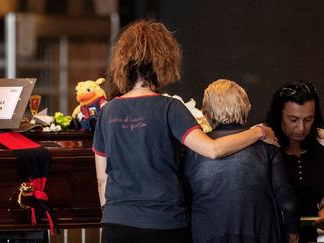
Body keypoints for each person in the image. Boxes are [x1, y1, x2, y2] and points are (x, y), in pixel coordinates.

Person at [92, 20, 278, 243]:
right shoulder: (170, 108)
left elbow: (102, 179)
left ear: (123, 62)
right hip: (164, 224)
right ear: (165, 61)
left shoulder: (107, 111)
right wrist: (259, 132)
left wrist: (114, 215)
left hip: (116, 225)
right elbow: (213, 149)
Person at [183, 79, 299, 243]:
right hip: (260, 234)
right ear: (246, 106)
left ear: (206, 110)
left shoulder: (195, 149)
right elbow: (287, 201)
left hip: (209, 235)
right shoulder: (267, 145)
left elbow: (185, 200)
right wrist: (293, 232)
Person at [266, 80, 324, 243]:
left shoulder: (322, 143)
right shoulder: (262, 146)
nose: (301, 128)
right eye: (293, 120)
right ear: (279, 116)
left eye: (308, 119)